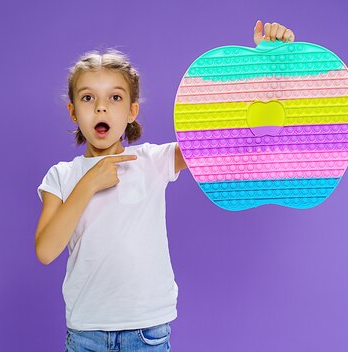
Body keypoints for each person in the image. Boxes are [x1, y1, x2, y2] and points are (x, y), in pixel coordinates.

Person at [35, 20, 296, 352]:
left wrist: (267, 66)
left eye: (114, 97)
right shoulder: (61, 176)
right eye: (88, 98)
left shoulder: (153, 161)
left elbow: (229, 134)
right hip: (86, 333)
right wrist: (88, 183)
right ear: (73, 112)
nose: (101, 107)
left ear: (132, 111)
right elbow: (45, 251)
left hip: (147, 332)